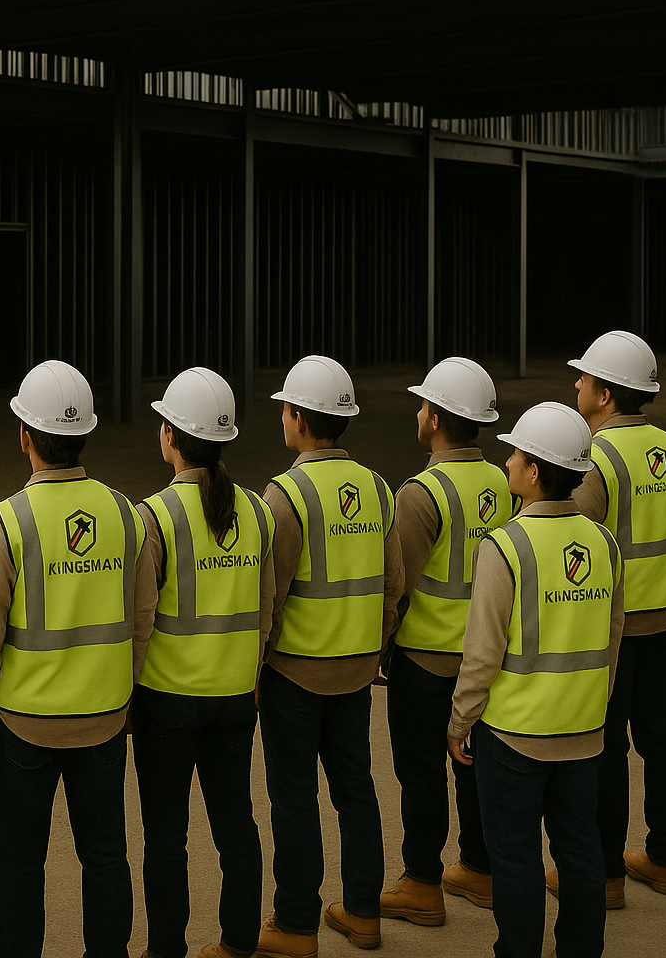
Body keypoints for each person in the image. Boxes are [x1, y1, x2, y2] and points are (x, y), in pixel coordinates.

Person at [0, 359, 156, 958]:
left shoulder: (6, 520)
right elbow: (143, 619)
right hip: (102, 719)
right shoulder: (127, 515)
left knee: (19, 859)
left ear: (25, 436)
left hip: (23, 724)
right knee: (105, 855)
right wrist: (127, 690)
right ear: (85, 435)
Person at [448, 402, 625, 958]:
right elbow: (611, 641)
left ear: (535, 471)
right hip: (583, 731)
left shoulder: (505, 547)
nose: (508, 460)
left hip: (514, 737)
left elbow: (482, 653)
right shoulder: (604, 544)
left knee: (516, 855)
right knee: (581, 850)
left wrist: (460, 720)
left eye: (515, 452)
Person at [255, 354, 402, 958]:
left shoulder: (284, 495)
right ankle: (364, 912)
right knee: (356, 788)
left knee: (294, 797)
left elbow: (272, 593)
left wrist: (258, 662)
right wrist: (375, 653)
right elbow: (394, 586)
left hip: (295, 671)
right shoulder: (376, 488)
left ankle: (295, 923)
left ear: (296, 419)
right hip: (357, 668)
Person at [133, 368, 273, 958]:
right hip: (236, 697)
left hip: (166, 700)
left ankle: (167, 947)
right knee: (236, 825)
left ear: (169, 435)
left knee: (166, 836)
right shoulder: (258, 511)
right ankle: (239, 941)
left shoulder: (155, 516)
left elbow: (140, 622)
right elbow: (266, 612)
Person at [380, 358, 513, 925]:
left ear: (435, 419)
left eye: (422, 405)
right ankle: (479, 869)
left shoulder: (421, 493)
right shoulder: (505, 481)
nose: (418, 412)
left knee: (422, 772)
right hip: (485, 657)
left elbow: (399, 582)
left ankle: (422, 882)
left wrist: (380, 646)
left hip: (425, 661)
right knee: (474, 766)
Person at [562, 331, 666, 902]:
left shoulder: (598, 459)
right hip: (664, 617)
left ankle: (606, 874)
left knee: (607, 746)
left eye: (584, 379)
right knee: (660, 732)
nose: (576, 385)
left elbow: (580, 552)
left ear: (607, 394)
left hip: (612, 630)